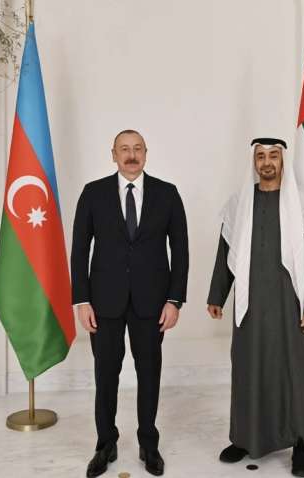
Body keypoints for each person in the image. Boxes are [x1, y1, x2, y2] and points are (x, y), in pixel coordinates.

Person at [207, 137, 304, 477]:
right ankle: (244, 438)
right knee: (246, 369)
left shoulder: (303, 205)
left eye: (273, 156)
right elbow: (226, 251)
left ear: (283, 161)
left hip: (290, 305)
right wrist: (216, 295)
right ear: (253, 162)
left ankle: (300, 445)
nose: (266, 162)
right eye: (260, 156)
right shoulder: (240, 204)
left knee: (293, 372)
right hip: (250, 305)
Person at [71, 130, 189, 477]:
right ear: (113, 154)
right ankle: (105, 444)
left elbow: (180, 251)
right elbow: (79, 250)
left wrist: (174, 300)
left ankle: (148, 444)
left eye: (137, 149)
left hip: (152, 303)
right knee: (106, 374)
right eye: (124, 149)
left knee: (149, 373)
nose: (131, 155)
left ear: (146, 153)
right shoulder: (93, 193)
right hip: (103, 302)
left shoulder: (167, 194)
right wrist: (82, 300)